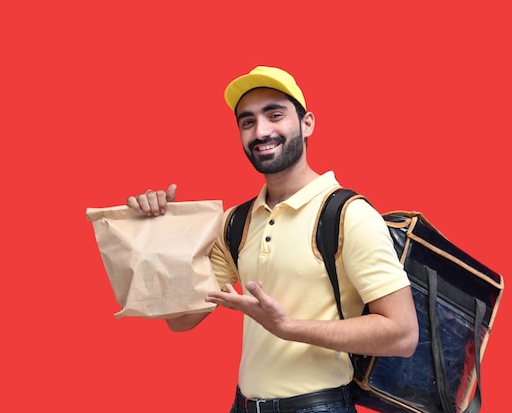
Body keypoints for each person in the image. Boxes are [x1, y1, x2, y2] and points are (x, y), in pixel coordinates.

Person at [127, 66, 419, 413]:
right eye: (247, 122)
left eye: (275, 114)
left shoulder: (347, 215)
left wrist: (287, 327)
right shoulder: (236, 222)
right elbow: (181, 320)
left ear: (307, 123)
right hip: (245, 405)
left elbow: (402, 334)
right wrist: (163, 236)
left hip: (319, 406)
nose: (261, 131)